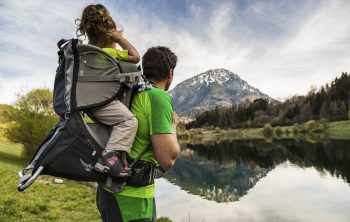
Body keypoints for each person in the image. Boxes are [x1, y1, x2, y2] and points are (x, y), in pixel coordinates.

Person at [96, 46, 181, 221]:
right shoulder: (158, 97)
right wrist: (173, 128)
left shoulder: (131, 92)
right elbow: (167, 159)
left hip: (107, 189)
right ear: (170, 73)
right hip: (133, 197)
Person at [76, 4, 140, 178]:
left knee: (112, 126)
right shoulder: (109, 52)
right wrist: (120, 39)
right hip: (102, 102)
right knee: (129, 122)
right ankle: (108, 160)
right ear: (109, 35)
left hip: (85, 102)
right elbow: (136, 57)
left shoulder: (83, 54)